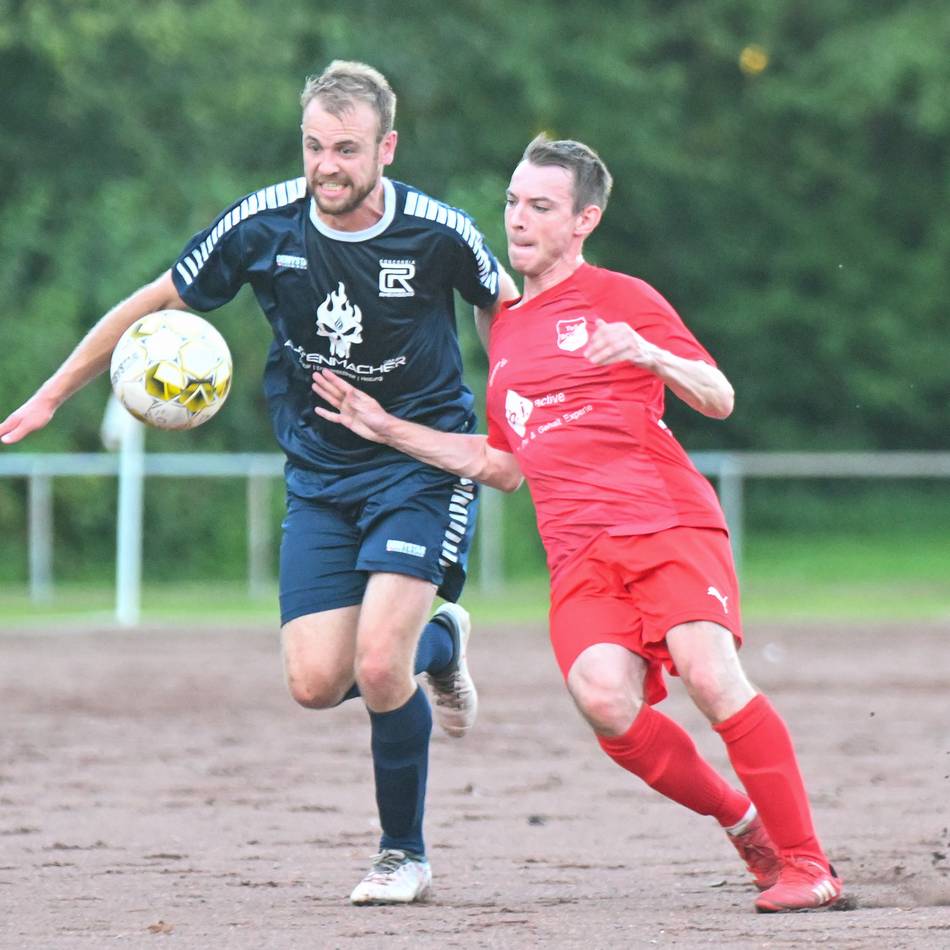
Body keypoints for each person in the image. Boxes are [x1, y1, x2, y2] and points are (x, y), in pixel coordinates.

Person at [0, 60, 519, 905]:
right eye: (314, 146)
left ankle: (403, 855)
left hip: (419, 464)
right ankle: (443, 641)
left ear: (386, 148)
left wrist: (509, 413)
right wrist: (54, 393)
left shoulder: (437, 231)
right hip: (319, 473)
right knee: (315, 684)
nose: (326, 167)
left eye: (346, 150)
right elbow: (153, 301)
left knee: (378, 665)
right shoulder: (263, 224)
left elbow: (504, 303)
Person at [310, 134, 845, 914]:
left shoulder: (624, 297)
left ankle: (808, 864)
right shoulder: (507, 329)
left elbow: (718, 396)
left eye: (540, 206)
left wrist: (652, 355)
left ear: (584, 219)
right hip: (579, 554)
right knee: (603, 698)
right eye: (512, 203)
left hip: (664, 523)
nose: (518, 219)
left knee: (708, 673)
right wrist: (386, 427)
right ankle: (745, 825)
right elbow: (503, 463)